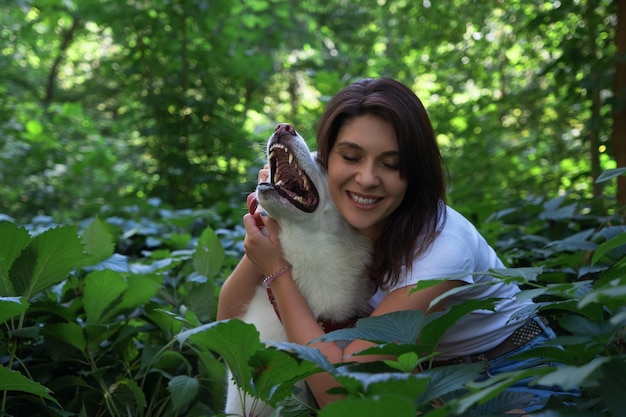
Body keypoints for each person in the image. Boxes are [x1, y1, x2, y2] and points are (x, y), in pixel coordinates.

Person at [217, 78, 572, 413]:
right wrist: (273, 223)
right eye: (351, 157)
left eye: (391, 164)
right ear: (326, 156)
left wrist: (276, 271)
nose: (367, 179)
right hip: (422, 377)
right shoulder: (326, 187)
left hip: (517, 373)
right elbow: (229, 326)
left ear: (415, 171)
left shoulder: (442, 251)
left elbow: (340, 396)